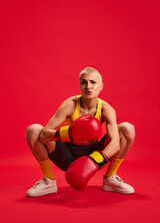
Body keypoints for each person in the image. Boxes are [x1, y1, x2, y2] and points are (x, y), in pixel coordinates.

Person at [26, 67, 135, 197]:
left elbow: (115, 143)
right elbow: (43, 135)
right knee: (33, 130)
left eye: (93, 82)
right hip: (67, 156)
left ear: (101, 86)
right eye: (84, 82)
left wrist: (93, 162)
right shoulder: (70, 104)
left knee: (127, 129)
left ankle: (110, 177)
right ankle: (48, 180)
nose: (88, 86)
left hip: (93, 154)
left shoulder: (106, 109)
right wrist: (70, 133)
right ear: (79, 85)